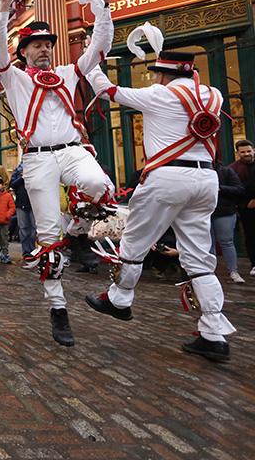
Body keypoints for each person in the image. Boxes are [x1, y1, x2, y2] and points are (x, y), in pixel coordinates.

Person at [84, 51, 235, 362]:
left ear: (162, 75)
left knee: (134, 241)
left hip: (167, 178)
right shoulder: (214, 95)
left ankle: (120, 300)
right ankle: (213, 334)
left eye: (156, 74)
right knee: (199, 257)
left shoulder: (158, 94)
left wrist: (91, 62)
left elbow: (105, 90)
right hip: (206, 179)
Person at [0, 0, 115, 347]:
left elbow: (99, 47)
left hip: (72, 149)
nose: (44, 49)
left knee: (99, 185)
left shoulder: (67, 73)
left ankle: (76, 229)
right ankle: (58, 308)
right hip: (37, 159)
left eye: (48, 44)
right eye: (37, 45)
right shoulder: (14, 79)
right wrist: (3, 8)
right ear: (24, 52)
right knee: (47, 237)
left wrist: (103, 6)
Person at [211, 156, 244, 283]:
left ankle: (233, 271)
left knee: (226, 242)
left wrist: (221, 188)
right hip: (205, 213)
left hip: (224, 212)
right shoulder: (198, 173)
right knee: (208, 244)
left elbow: (239, 189)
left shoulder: (227, 171)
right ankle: (210, 272)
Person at [229, 139, 255, 276]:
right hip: (245, 208)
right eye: (243, 152)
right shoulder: (233, 168)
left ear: (254, 150)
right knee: (251, 236)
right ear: (237, 153)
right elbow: (234, 189)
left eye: (249, 151)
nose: (246, 154)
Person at [8, 162, 36, 259]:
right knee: (23, 228)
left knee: (34, 228)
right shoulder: (17, 170)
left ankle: (34, 250)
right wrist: (22, 178)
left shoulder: (35, 168)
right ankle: (26, 251)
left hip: (34, 203)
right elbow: (12, 184)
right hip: (21, 204)